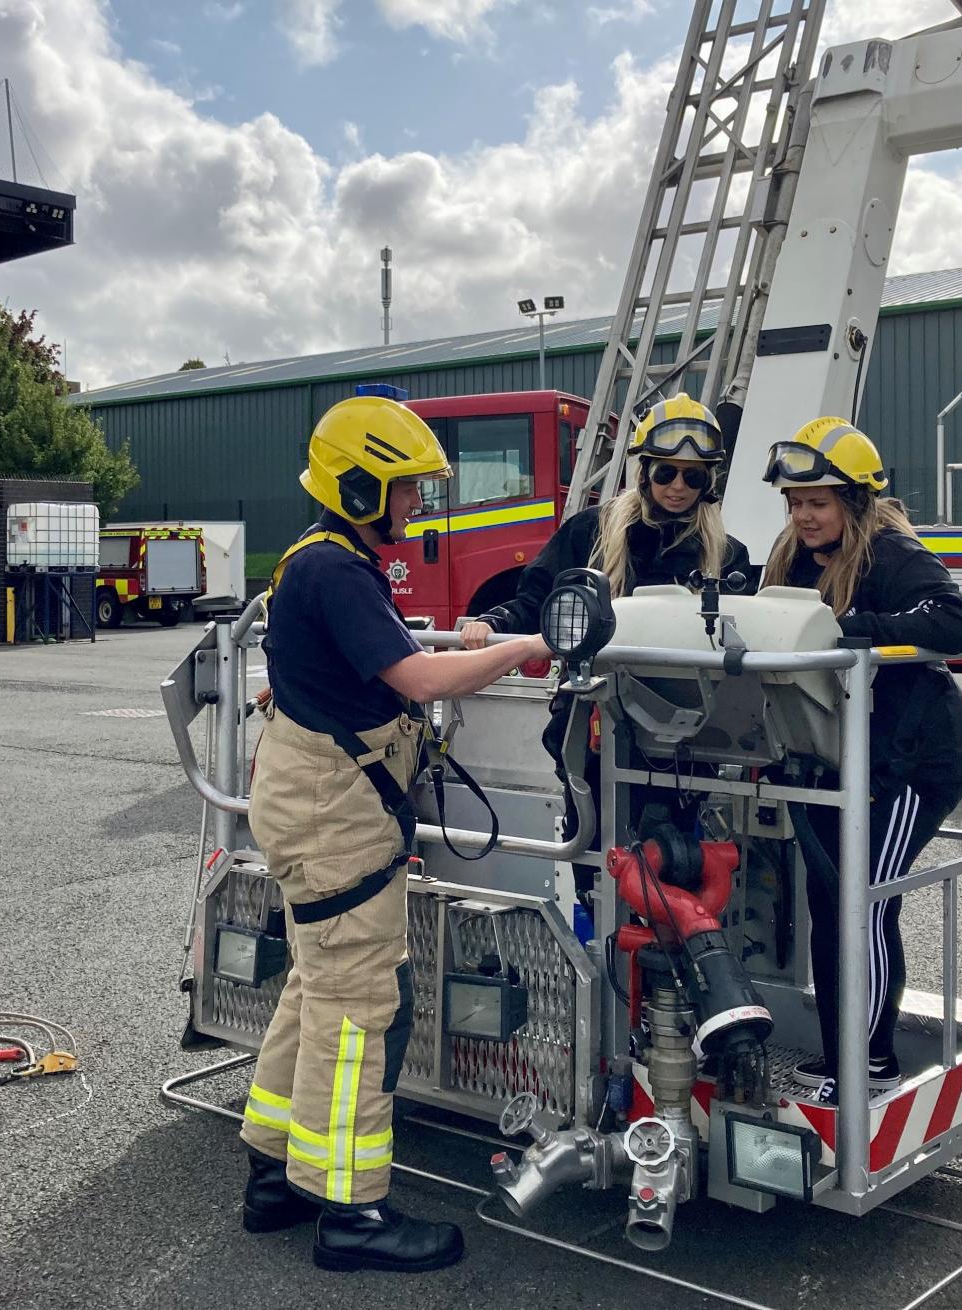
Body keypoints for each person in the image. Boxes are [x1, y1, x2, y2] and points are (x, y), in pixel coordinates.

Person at [238, 391, 551, 1274]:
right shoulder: (337, 569)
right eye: (406, 488)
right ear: (363, 485)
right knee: (357, 1012)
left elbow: (374, 657)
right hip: (336, 817)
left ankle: (273, 1178)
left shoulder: (319, 559)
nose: (416, 505)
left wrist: (476, 638)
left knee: (315, 990)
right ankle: (350, 1213)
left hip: (319, 804)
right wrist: (519, 647)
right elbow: (415, 677)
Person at [758, 417, 962, 1107]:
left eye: (817, 502)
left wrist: (853, 629)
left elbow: (954, 623)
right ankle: (841, 1053)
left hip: (911, 759)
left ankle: (870, 1063)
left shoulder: (891, 551)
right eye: (795, 503)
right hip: (831, 756)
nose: (804, 515)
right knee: (831, 906)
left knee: (863, 904)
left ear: (855, 500)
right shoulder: (790, 556)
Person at [459, 394, 750, 830]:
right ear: (644, 471)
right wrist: (494, 621)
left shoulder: (727, 556)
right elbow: (538, 599)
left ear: (708, 482)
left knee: (677, 851)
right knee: (592, 843)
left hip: (685, 733)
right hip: (592, 720)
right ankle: (590, 900)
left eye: (692, 477)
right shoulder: (588, 531)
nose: (677, 486)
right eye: (666, 472)